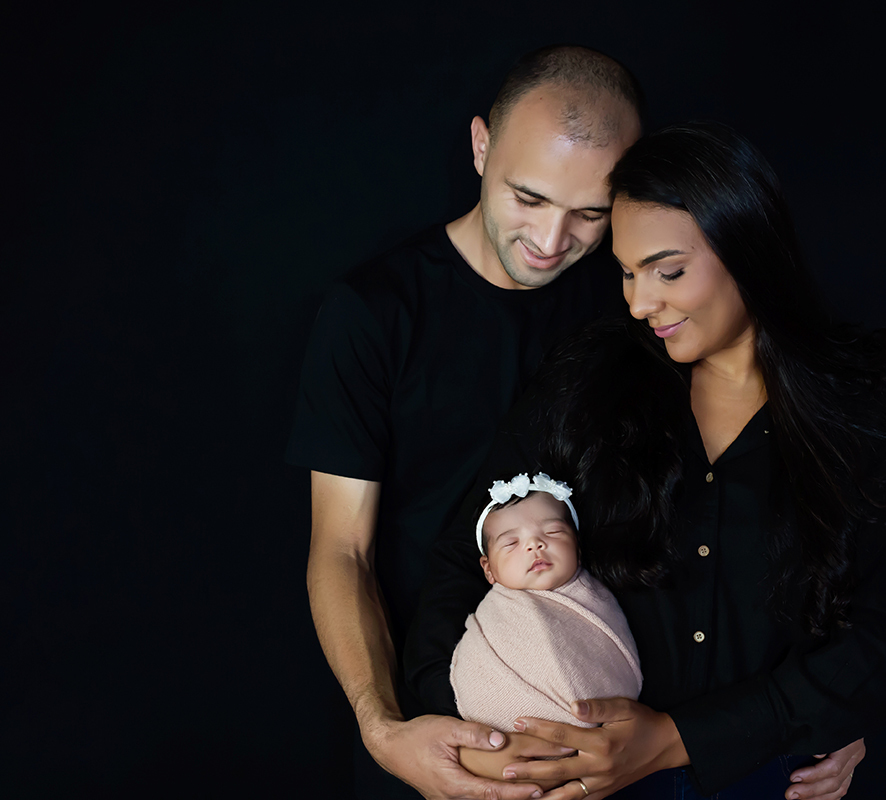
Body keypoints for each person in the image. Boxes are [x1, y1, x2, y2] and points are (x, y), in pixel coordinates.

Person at [406, 122, 886, 799]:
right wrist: (459, 725)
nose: (639, 302)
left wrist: (688, 739)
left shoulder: (864, 411)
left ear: (749, 249)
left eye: (668, 271)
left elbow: (882, 640)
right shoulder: (586, 383)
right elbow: (465, 550)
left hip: (768, 778)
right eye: (627, 273)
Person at [286, 45, 643, 800]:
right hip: (428, 736)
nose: (552, 243)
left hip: (594, 741)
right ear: (481, 147)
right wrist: (383, 729)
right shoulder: (374, 314)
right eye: (529, 198)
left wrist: (810, 717)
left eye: (589, 214)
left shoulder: (632, 304)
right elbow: (341, 550)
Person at [452, 473, 642, 790]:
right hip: (504, 751)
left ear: (578, 548)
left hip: (610, 752)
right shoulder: (495, 615)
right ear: (489, 569)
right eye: (512, 543)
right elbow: (475, 668)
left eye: (553, 532)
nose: (535, 544)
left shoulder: (598, 597)